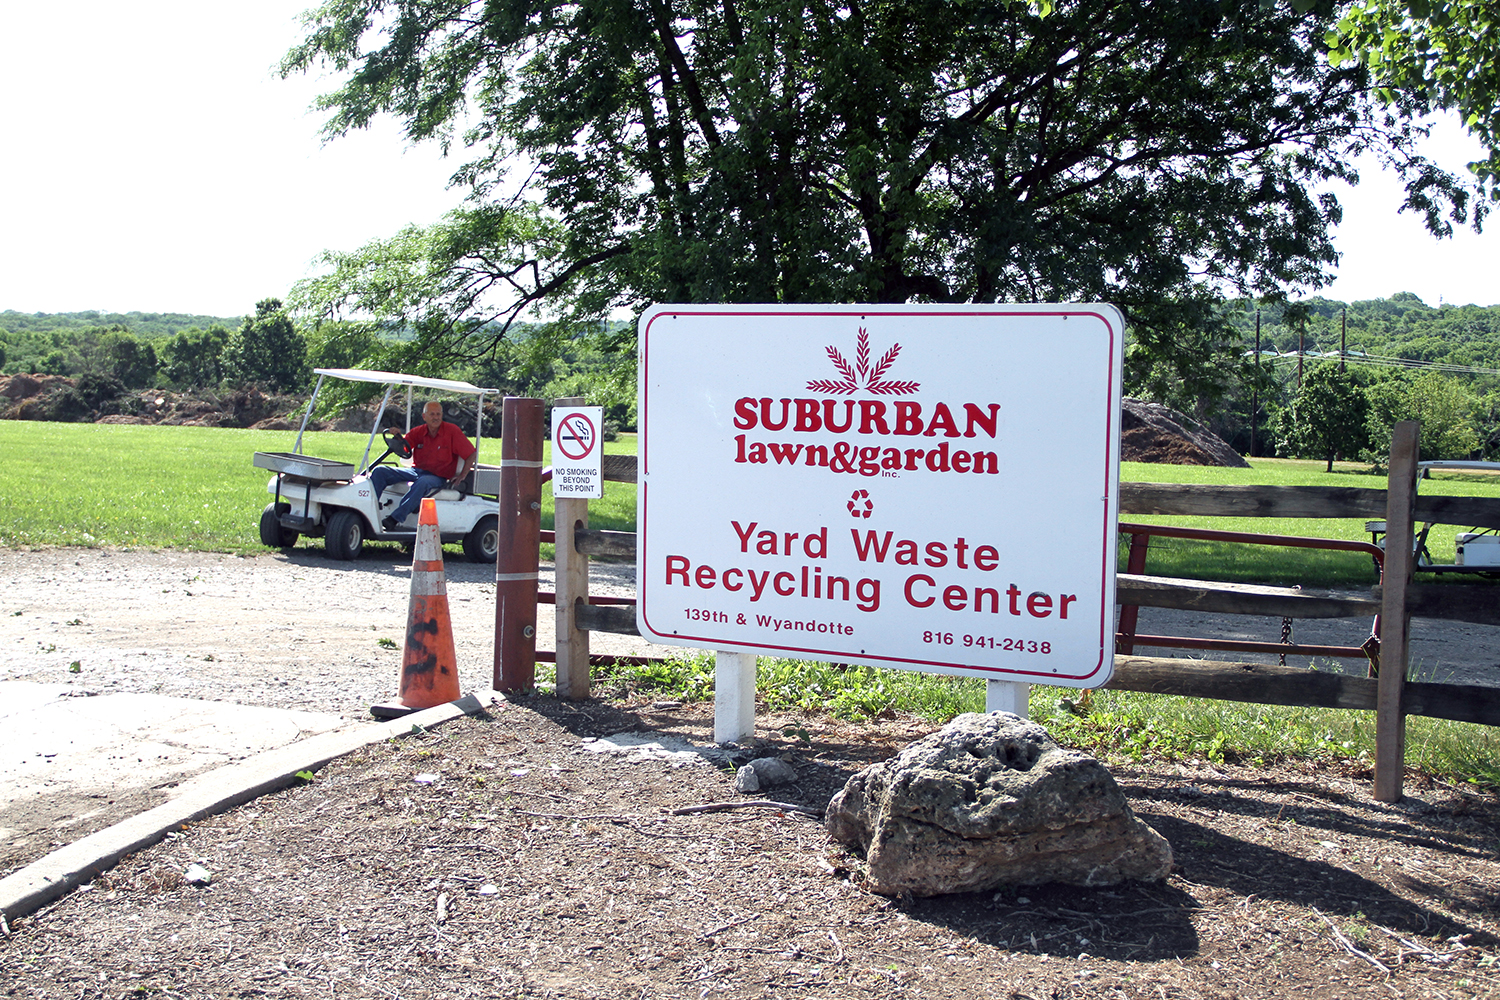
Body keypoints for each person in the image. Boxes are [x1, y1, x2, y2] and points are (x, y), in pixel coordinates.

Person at [369, 401, 477, 531]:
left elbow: (471, 453)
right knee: (380, 471)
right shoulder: (419, 432)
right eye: (432, 414)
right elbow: (404, 447)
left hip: (438, 477)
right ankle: (369, 510)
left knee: (423, 482)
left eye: (438, 414)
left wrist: (463, 475)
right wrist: (397, 437)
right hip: (416, 471)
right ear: (424, 416)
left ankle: (394, 519)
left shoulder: (452, 431)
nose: (435, 417)